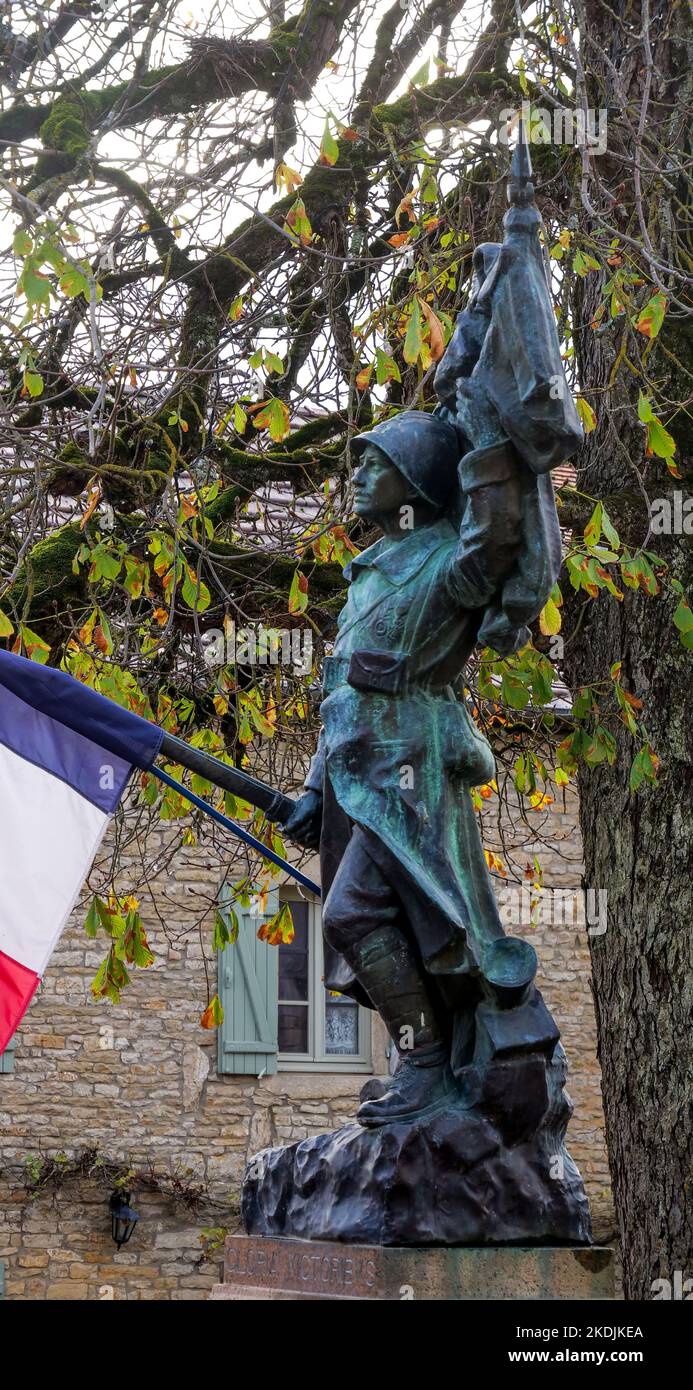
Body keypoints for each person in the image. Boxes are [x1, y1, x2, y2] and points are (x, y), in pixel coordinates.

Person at [275, 404, 559, 1126]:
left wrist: (500, 445)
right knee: (379, 919)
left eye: (376, 464)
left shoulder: (442, 558)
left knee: (353, 914)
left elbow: (495, 544)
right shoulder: (369, 572)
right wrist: (313, 788)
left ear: (414, 484)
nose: (358, 475)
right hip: (356, 768)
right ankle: (424, 1063)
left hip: (409, 767)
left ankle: (427, 1066)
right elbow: (341, 689)